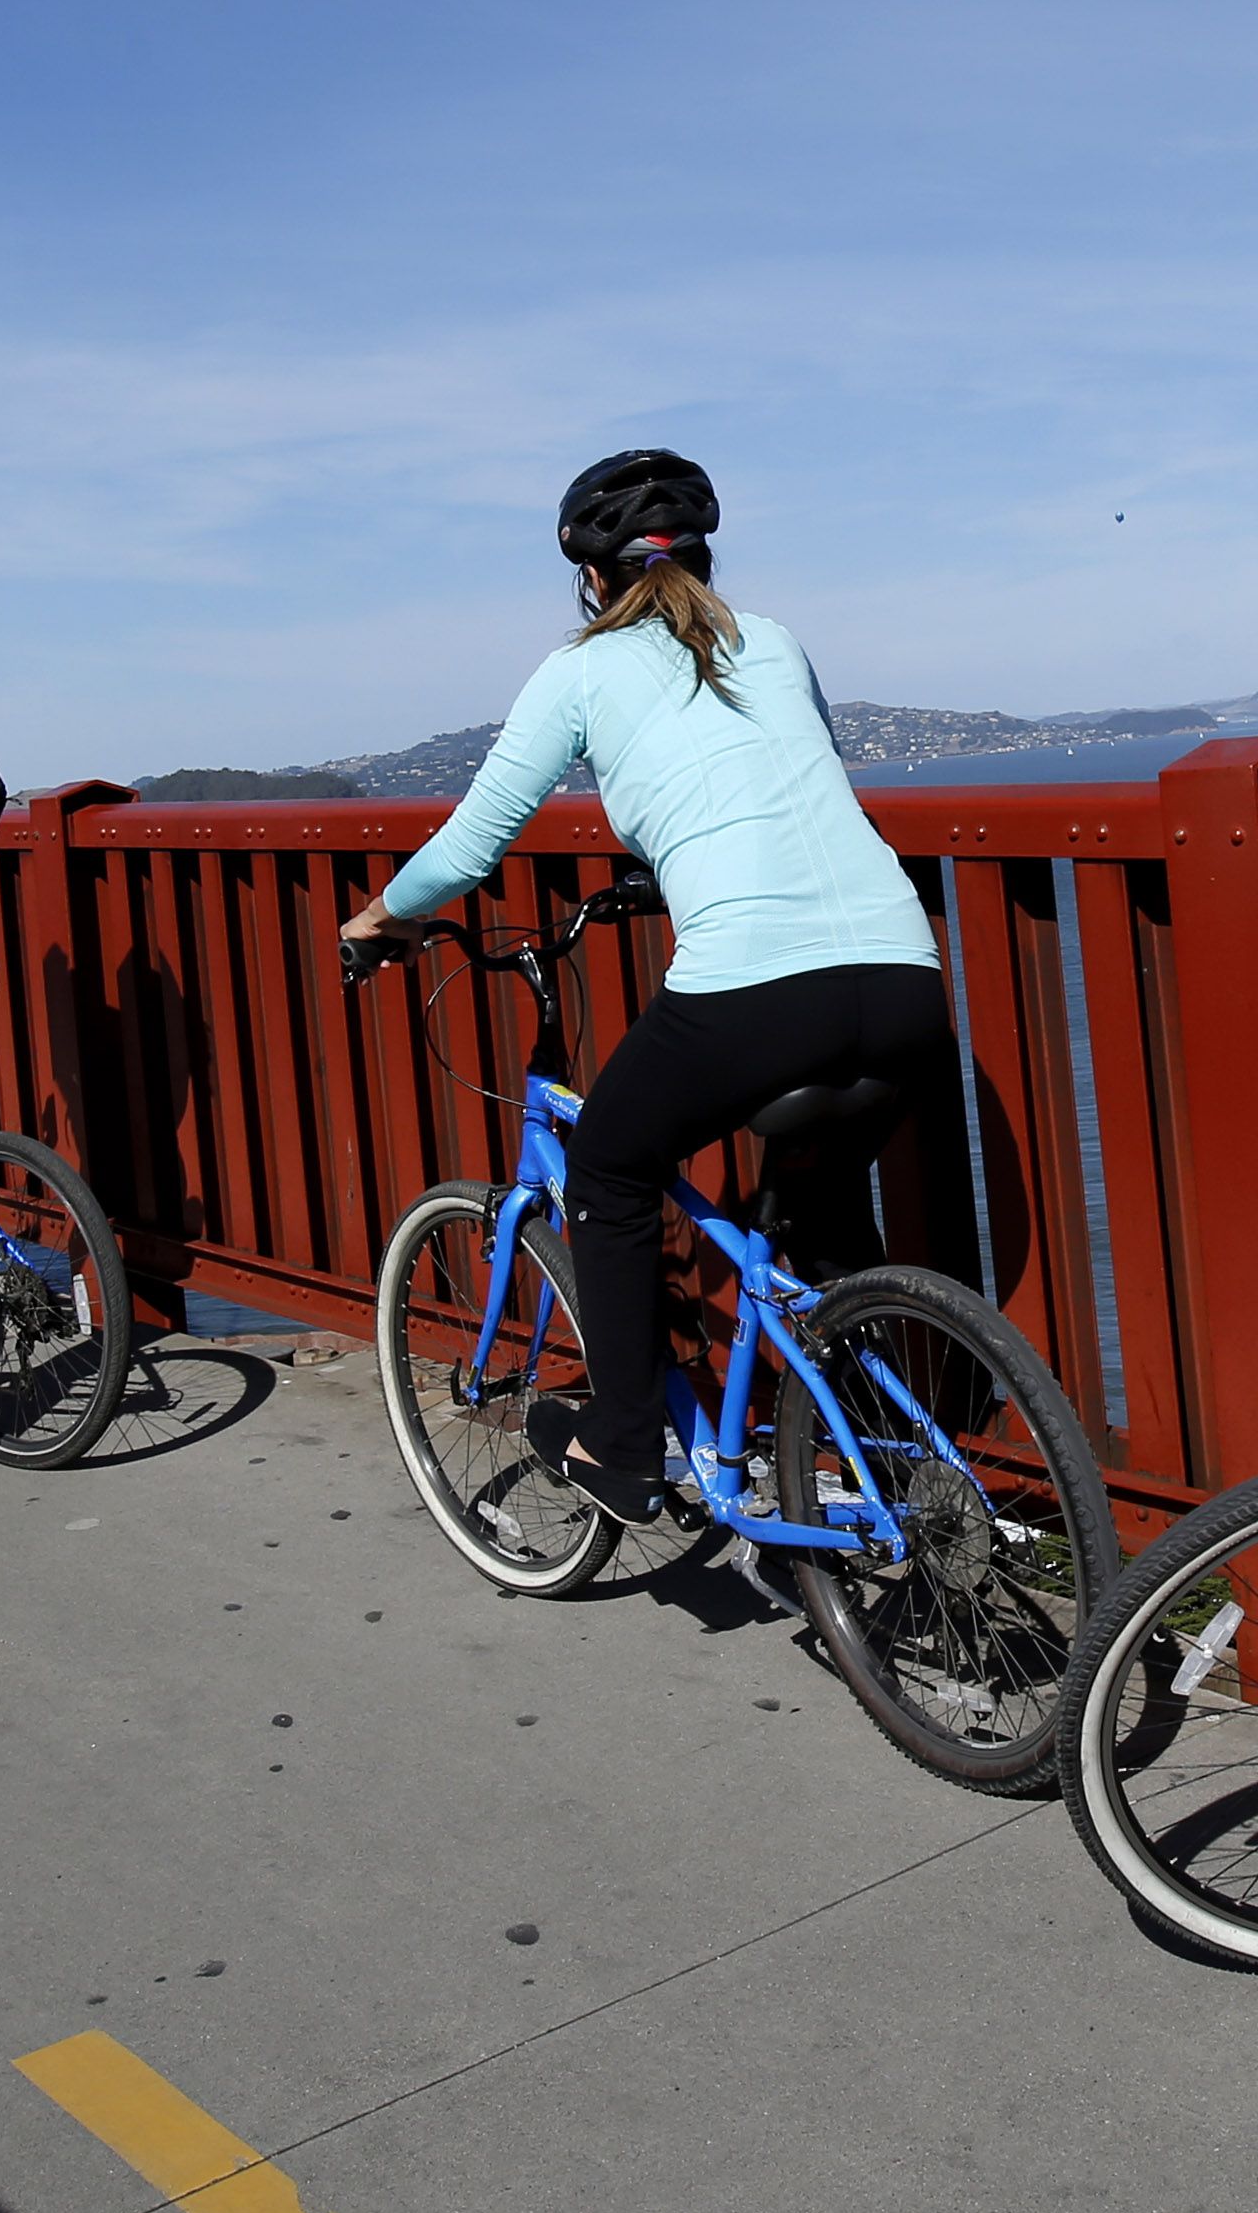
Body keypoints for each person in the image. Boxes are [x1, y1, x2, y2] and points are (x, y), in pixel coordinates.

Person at [339, 452, 950, 1515]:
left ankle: (623, 1450)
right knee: (815, 1204)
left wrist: (383, 916)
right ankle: (875, 1453)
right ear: (707, 560)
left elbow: (472, 845)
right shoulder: (777, 640)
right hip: (903, 976)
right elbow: (786, 784)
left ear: (590, 580)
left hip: (760, 984)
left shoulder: (579, 670)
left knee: (611, 1171)